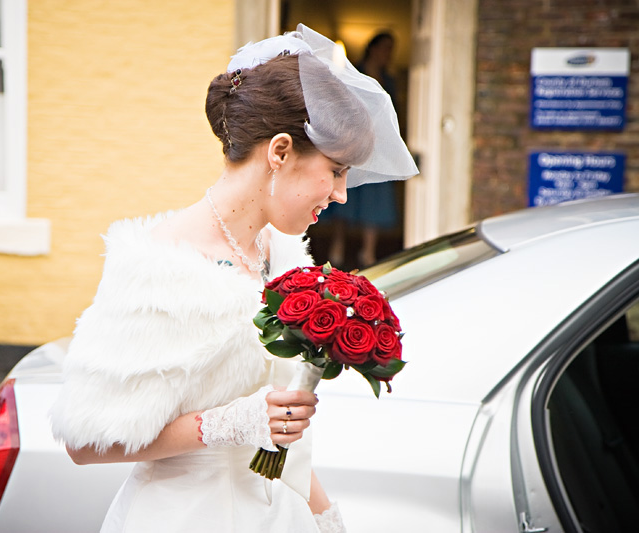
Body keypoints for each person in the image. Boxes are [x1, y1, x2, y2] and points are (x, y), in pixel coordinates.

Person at [50, 25, 416, 532]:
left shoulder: (284, 257)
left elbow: (282, 428)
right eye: (335, 171)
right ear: (281, 151)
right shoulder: (160, 266)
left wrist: (324, 515)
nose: (342, 195)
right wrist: (228, 423)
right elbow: (84, 443)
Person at [325, 31, 401, 268]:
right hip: (352, 141)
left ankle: (368, 251)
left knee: (375, 194)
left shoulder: (389, 80)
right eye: (385, 47)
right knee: (345, 193)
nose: (388, 54)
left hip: (377, 145)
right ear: (373, 48)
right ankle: (337, 245)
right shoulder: (352, 72)